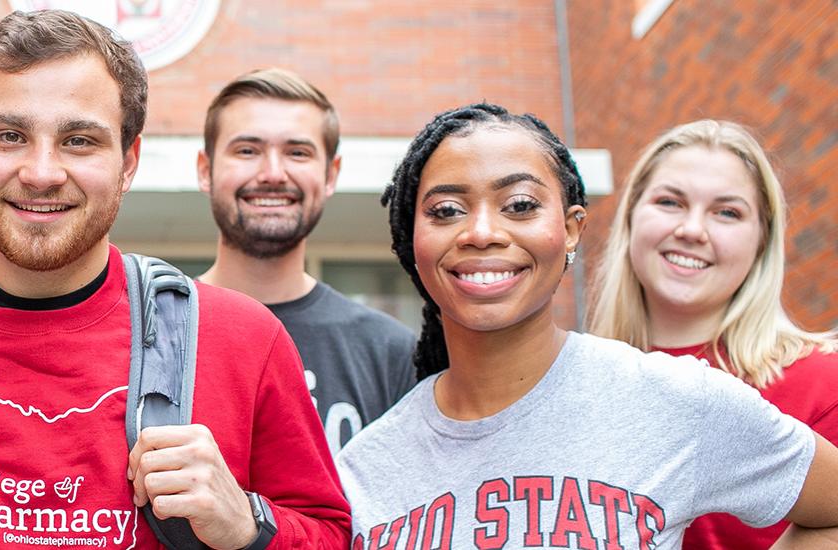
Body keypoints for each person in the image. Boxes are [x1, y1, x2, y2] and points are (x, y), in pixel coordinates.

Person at [0, 10, 350, 549]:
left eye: (79, 140)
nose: (41, 173)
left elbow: (333, 534)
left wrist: (251, 526)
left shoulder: (244, 342)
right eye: (9, 135)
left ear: (129, 161)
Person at [337, 103, 838, 548]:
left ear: (572, 228)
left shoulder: (679, 398)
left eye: (520, 205)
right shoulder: (363, 467)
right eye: (446, 210)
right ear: (411, 239)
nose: (482, 232)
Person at [588, 120, 838, 550]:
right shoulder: (581, 384)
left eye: (727, 212)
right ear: (630, 218)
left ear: (762, 242)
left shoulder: (824, 383)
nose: (692, 230)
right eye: (670, 202)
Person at [196, 68, 416, 453]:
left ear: (331, 174)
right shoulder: (151, 331)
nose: (273, 174)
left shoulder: (389, 351)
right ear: (205, 170)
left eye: (297, 153)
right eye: (247, 150)